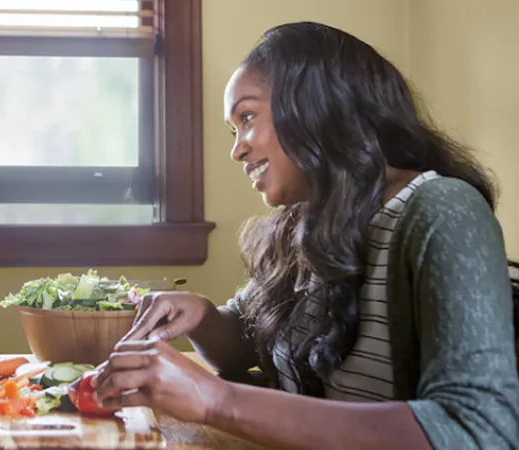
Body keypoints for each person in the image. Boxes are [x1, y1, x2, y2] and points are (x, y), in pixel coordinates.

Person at [90, 22, 519, 449]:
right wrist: (202, 316)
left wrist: (216, 400)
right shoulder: (305, 222)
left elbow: (477, 431)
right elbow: (245, 345)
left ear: (317, 106)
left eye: (247, 117)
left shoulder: (442, 211)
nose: (237, 148)